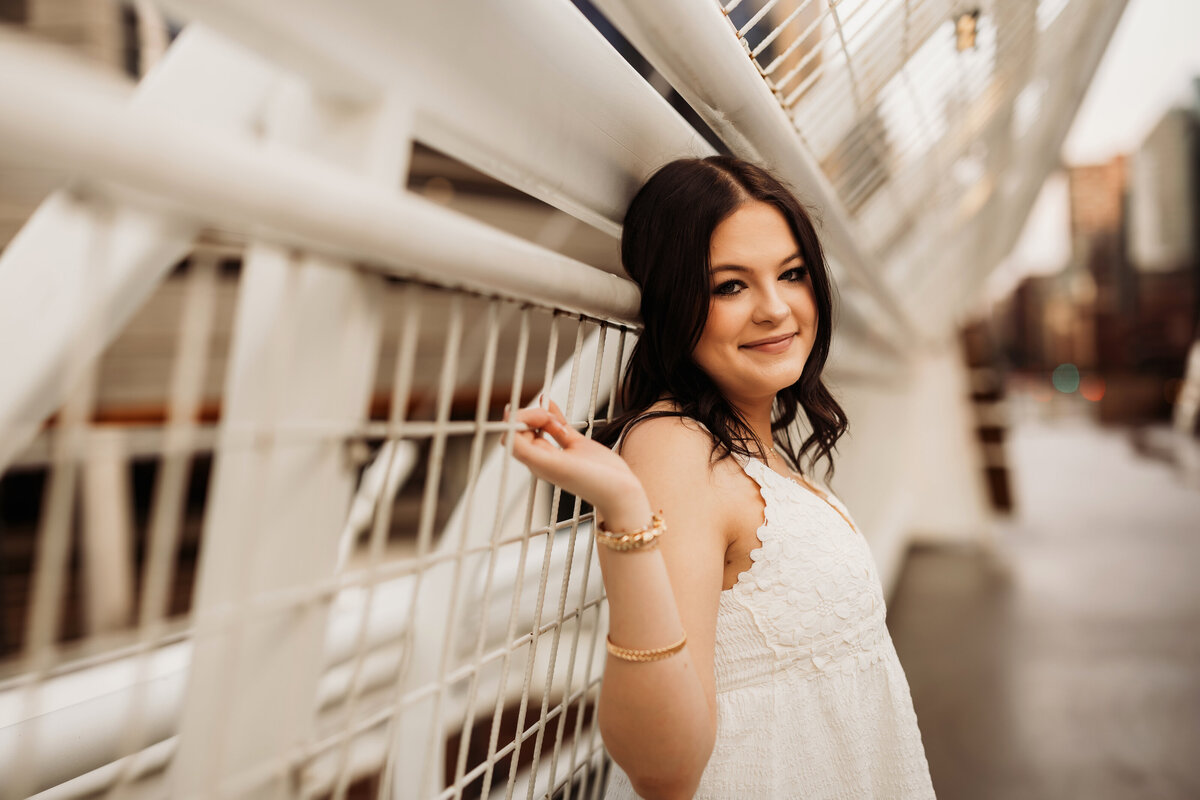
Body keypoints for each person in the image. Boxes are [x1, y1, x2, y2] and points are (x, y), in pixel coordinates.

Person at [507, 156, 935, 799]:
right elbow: (666, 772)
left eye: (791, 274)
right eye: (729, 286)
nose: (774, 309)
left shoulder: (753, 442)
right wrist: (626, 507)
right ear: (676, 304)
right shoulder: (675, 448)